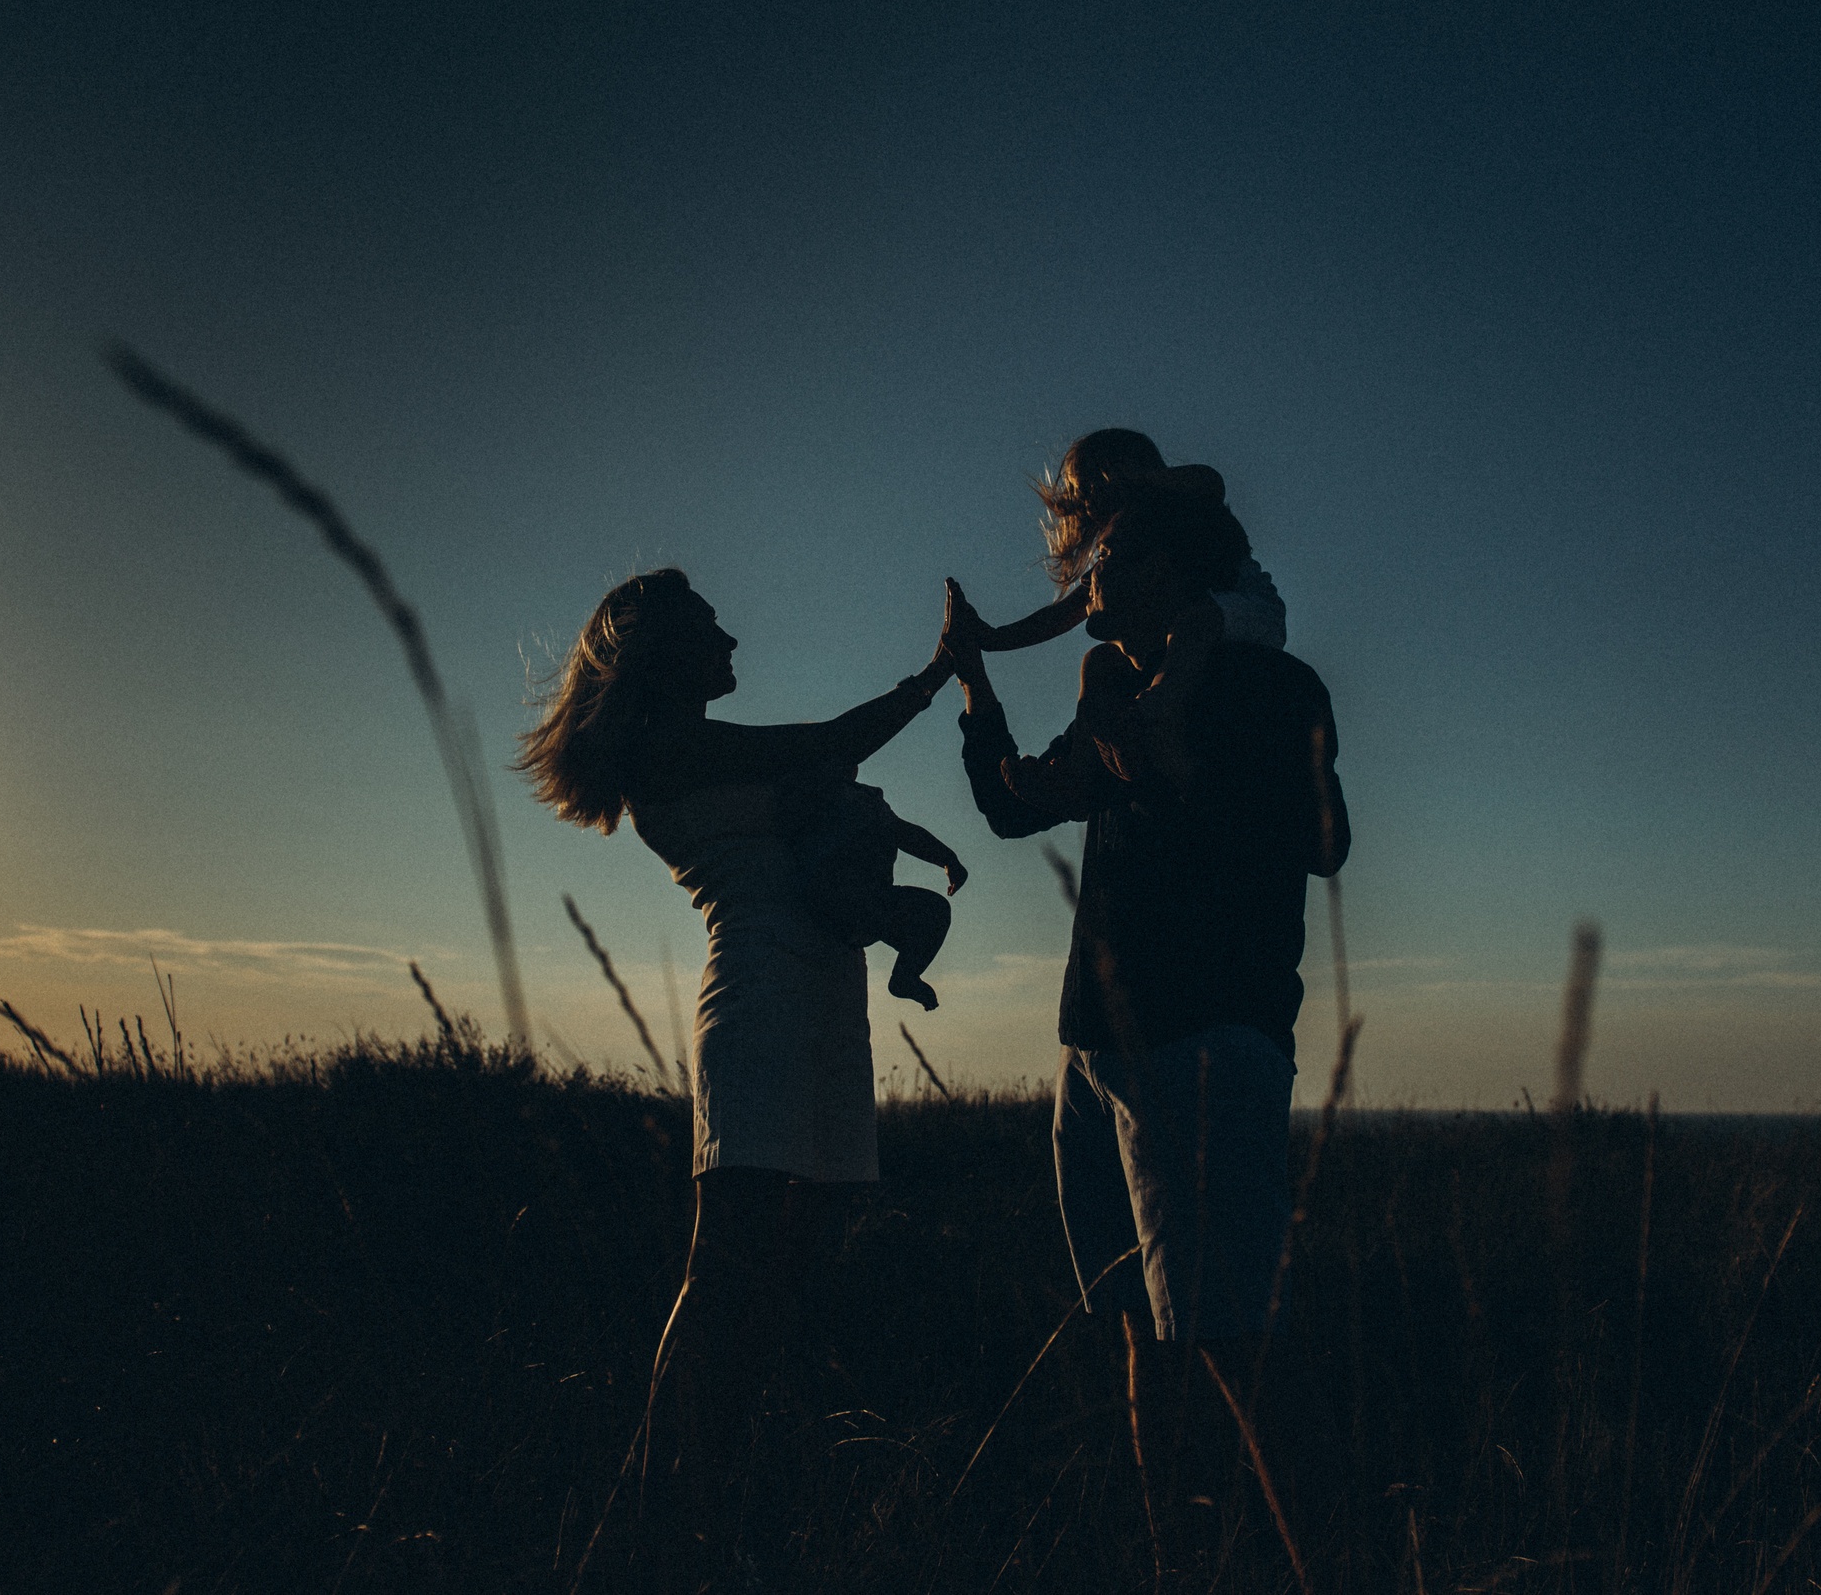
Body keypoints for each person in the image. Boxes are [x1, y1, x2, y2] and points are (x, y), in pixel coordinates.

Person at [513, 569, 952, 1591]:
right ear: (663, 651)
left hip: (825, 996)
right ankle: (660, 1503)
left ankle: (711, 1481)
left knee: (788, 1257)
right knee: (729, 1263)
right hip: (757, 997)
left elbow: (827, 804)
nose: (731, 639)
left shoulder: (706, 751)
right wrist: (937, 673)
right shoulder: (674, 748)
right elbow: (834, 739)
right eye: (709, 627)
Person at [942, 489, 1348, 1583]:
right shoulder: (1117, 686)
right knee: (1143, 1334)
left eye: (1109, 556)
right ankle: (1177, 1564)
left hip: (1204, 1041)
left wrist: (1176, 751)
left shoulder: (1265, 682)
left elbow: (1325, 837)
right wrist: (972, 686)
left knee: (1237, 1345)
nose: (1084, 581)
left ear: (1171, 570)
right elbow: (1019, 805)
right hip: (1099, 1053)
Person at [955, 428, 1287, 751]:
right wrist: (995, 638)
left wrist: (1139, 482)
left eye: (1090, 487)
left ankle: (1153, 711)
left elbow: (1211, 482)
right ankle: (1080, 769)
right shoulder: (1117, 557)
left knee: (1193, 622)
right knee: (1098, 662)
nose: (1086, 502)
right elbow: (1064, 614)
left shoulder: (1183, 510)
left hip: (1246, 612)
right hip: (1177, 632)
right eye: (1080, 493)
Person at [773, 763, 968, 1010]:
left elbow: (904, 833)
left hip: (868, 904)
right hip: (842, 901)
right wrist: (947, 859)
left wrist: (947, 859)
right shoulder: (820, 794)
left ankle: (905, 976)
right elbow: (902, 833)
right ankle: (905, 976)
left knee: (934, 911)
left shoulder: (861, 799)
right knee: (933, 910)